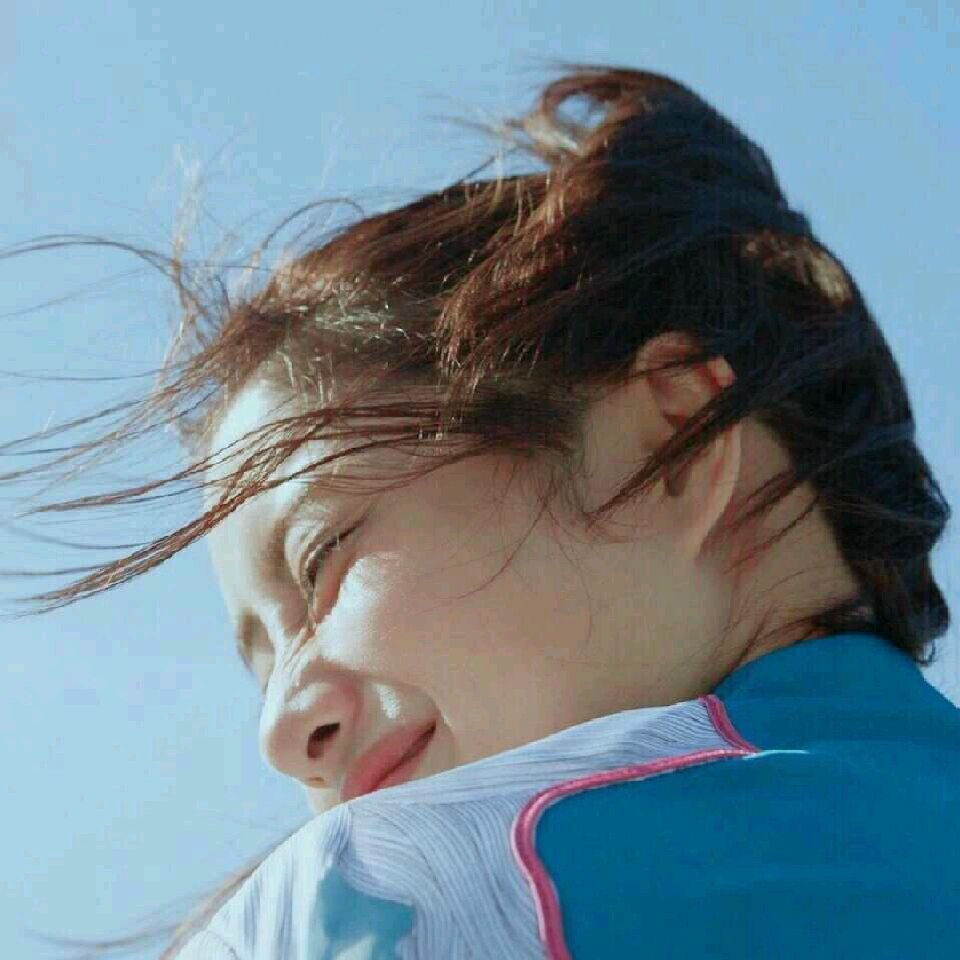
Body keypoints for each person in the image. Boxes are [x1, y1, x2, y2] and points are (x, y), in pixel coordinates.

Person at [4, 64, 958, 958]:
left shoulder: (406, 899)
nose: (282, 735)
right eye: (262, 671)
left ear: (677, 438)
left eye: (322, 557)